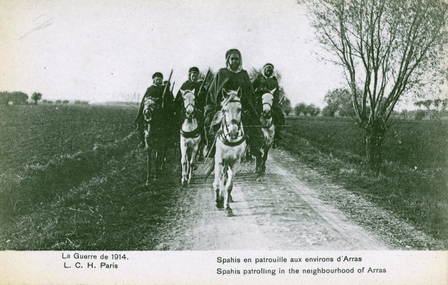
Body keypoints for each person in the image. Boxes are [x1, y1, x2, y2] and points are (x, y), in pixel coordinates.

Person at [204, 49, 263, 157]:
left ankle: (254, 148)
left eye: (237, 59)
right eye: (232, 59)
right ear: (228, 60)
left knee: (253, 122)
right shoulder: (221, 73)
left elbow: (249, 93)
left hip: (240, 106)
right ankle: (211, 148)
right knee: (211, 122)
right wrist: (218, 105)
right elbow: (213, 91)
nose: (235, 61)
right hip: (223, 106)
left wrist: (246, 105)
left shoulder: (244, 74)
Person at [134, 72, 174, 148]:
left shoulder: (164, 89)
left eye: (160, 79)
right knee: (141, 121)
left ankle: (169, 140)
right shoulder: (150, 89)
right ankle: (143, 141)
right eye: (157, 80)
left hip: (162, 111)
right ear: (154, 80)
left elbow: (169, 101)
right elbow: (145, 100)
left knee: (169, 122)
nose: (158, 81)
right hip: (151, 110)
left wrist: (164, 100)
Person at [252, 63, 285, 146]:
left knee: (279, 113)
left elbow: (276, 92)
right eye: (267, 69)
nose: (268, 71)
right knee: (253, 112)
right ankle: (251, 131)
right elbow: (252, 87)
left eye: (270, 69)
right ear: (264, 70)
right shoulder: (259, 78)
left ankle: (277, 132)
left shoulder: (274, 80)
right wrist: (259, 91)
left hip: (271, 100)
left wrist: (275, 102)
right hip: (259, 100)